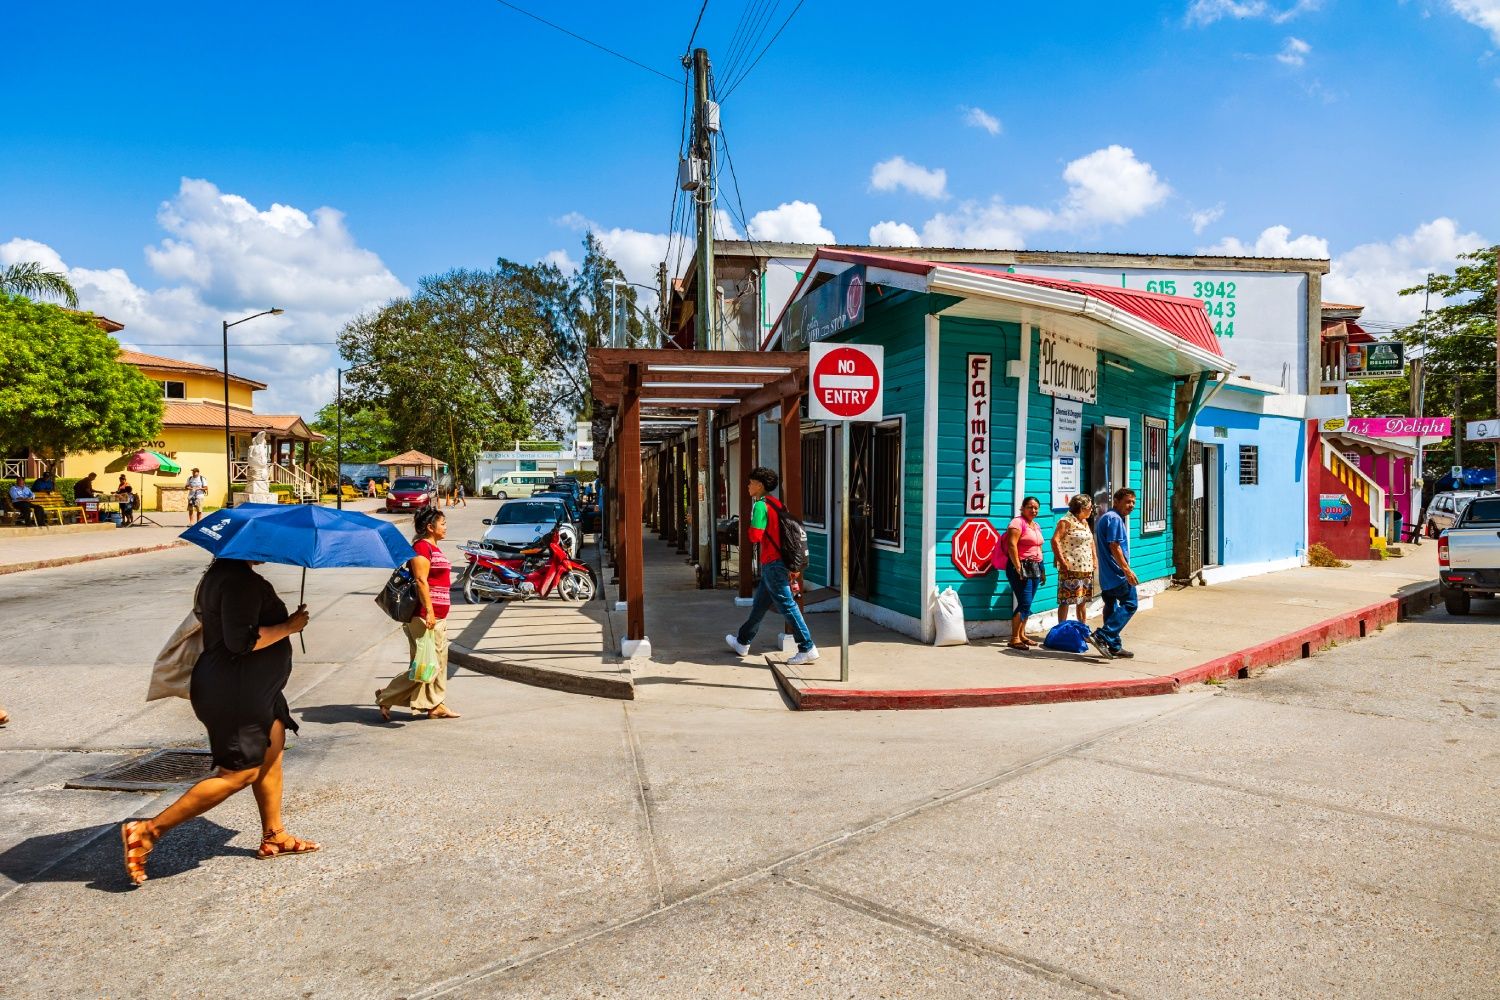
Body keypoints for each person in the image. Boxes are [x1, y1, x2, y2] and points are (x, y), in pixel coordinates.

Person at [119, 558, 315, 885]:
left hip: (255, 689)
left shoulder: (223, 575)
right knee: (239, 772)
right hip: (237, 691)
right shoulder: (240, 582)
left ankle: (274, 835)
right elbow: (242, 641)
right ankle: (148, 831)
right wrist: (289, 626)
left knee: (272, 750)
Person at [724, 467, 818, 666]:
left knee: (787, 605)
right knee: (759, 606)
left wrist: (748, 527)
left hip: (772, 562)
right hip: (781, 561)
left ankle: (807, 647)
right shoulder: (778, 504)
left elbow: (755, 535)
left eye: (750, 482)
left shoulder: (760, 506)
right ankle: (742, 642)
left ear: (759, 485)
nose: (748, 486)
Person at [377, 508, 460, 720]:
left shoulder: (433, 547)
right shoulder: (422, 548)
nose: (445, 527)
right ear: (430, 527)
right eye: (442, 523)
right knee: (426, 666)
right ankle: (386, 696)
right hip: (424, 616)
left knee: (436, 664)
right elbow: (422, 581)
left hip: (436, 615)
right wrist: (430, 612)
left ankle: (436, 705)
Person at [1091, 488, 1139, 659]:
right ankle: (1103, 635)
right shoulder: (1115, 519)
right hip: (1117, 574)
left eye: (1133, 502)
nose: (1131, 505)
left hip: (1106, 576)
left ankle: (1114, 646)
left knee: (1111, 607)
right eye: (1127, 501)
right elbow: (1114, 546)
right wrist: (1127, 571)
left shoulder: (1106, 518)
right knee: (1131, 604)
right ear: (1116, 501)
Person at [998, 496, 1045, 650]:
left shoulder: (1036, 525)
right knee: (1024, 603)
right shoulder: (1017, 523)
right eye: (1030, 507)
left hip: (1035, 567)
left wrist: (1042, 570)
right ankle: (1014, 638)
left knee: (1028, 603)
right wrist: (1018, 567)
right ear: (1022, 508)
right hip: (1021, 567)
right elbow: (1012, 545)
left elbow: (1038, 548)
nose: (1033, 510)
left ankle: (1022, 635)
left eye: (1036, 508)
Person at [1051, 494, 1096, 624]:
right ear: (1082, 508)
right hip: (1070, 568)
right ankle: (1061, 629)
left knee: (1082, 600)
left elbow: (1091, 541)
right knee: (1065, 601)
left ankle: (1083, 628)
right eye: (1089, 507)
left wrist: (1094, 558)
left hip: (1085, 567)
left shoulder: (1084, 521)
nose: (1091, 510)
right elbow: (1055, 541)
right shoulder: (1066, 521)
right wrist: (1062, 561)